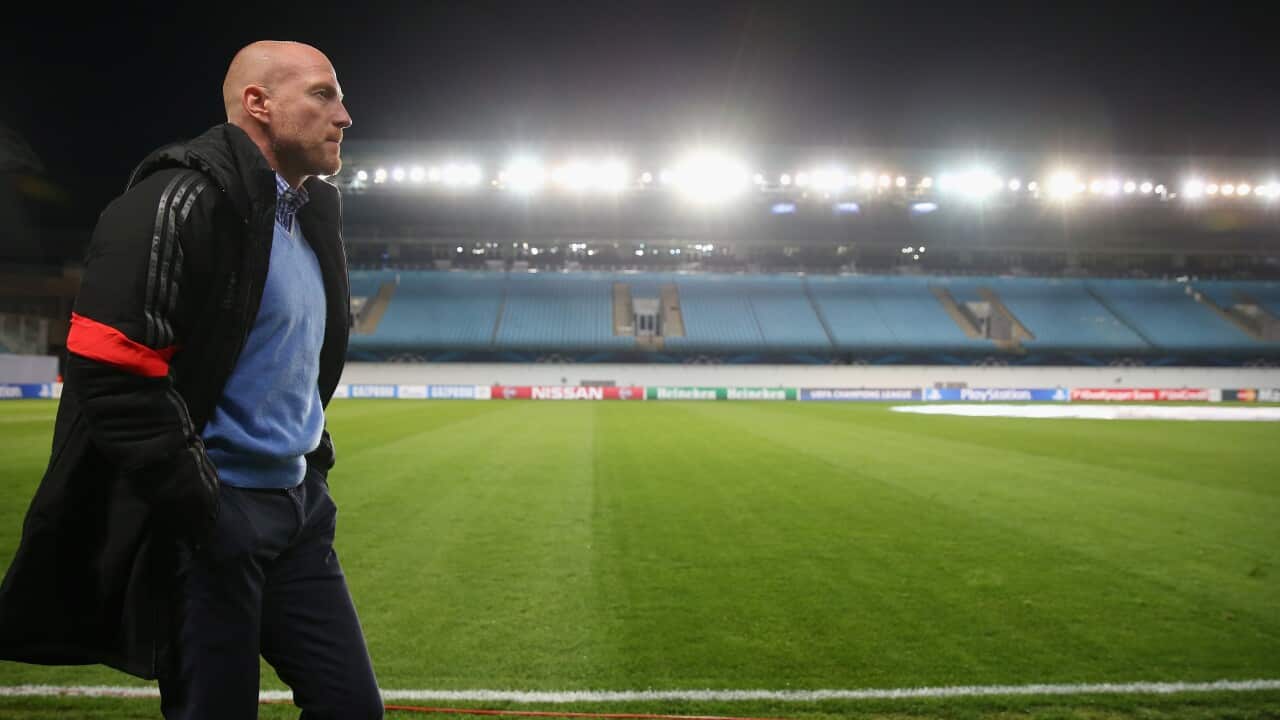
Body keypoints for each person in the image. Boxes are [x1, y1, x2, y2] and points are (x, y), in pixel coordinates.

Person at [0, 41, 382, 719]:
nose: (345, 116)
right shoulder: (178, 197)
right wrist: (204, 506)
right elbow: (107, 365)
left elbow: (304, 362)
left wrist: (311, 470)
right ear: (257, 104)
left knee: (352, 708)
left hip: (298, 515)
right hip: (211, 520)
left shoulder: (313, 214)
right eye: (324, 95)